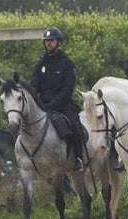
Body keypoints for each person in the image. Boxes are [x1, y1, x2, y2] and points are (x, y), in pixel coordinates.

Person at [29, 27, 86, 172]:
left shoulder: (67, 64)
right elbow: (34, 85)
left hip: (63, 106)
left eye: (52, 41)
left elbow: (68, 89)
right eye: (47, 41)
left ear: (58, 42)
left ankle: (79, 158)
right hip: (43, 106)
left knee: (74, 125)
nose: (49, 43)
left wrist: (54, 104)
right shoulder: (40, 64)